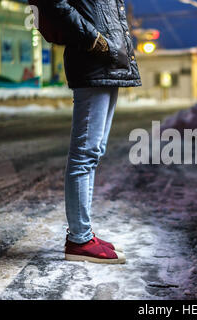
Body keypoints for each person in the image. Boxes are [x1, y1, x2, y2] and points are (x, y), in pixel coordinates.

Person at [47, 0, 141, 264]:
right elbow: (56, 4)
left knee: (94, 152)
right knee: (84, 155)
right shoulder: (93, 46)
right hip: (92, 60)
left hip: (107, 60)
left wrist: (109, 49)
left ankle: (83, 234)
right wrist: (95, 40)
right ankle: (79, 240)